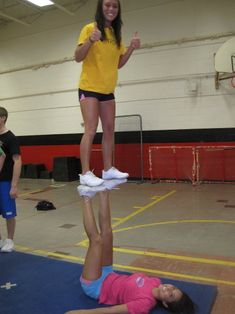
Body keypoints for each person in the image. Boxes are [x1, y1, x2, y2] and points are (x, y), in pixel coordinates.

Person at [66, 187, 196, 314]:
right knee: (107, 232)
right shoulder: (155, 282)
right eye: (173, 288)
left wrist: (81, 312)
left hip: (96, 286)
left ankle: (85, 195)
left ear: (166, 304)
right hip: (108, 273)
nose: (169, 288)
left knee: (97, 241)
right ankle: (104, 191)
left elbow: (110, 311)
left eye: (171, 295)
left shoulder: (144, 304)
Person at [75, 0, 141, 187]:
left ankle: (108, 169)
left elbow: (118, 63)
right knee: (90, 129)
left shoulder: (115, 35)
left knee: (109, 129)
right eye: (107, 5)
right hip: (89, 87)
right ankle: (85, 172)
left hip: (107, 90)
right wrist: (90, 40)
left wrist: (132, 48)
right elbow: (77, 57)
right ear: (100, 8)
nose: (111, 9)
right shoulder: (90, 28)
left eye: (114, 6)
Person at [0, 107, 22, 253]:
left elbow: (18, 161)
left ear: (3, 118)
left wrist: (14, 185)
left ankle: (9, 240)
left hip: (5, 182)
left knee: (9, 213)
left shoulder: (10, 138)